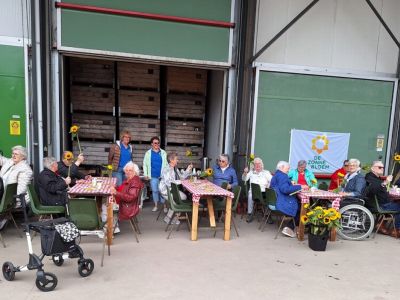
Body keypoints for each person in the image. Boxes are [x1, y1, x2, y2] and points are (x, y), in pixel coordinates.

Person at [270, 161, 308, 238]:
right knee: (302, 207)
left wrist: (292, 184)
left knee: (300, 203)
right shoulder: (283, 176)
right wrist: (301, 187)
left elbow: (283, 186)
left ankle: (296, 226)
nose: (289, 170)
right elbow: (285, 189)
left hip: (277, 200)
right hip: (282, 202)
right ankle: (290, 228)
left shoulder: (277, 175)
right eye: (287, 168)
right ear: (281, 168)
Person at [0, 146, 33, 230]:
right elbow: (2, 159)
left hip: (11, 198)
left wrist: (10, 202)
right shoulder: (11, 162)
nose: (13, 156)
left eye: (16, 154)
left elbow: (20, 191)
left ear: (22, 157)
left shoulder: (25, 170)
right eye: (13, 153)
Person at [365, 161, 400, 237]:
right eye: (379, 167)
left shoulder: (375, 178)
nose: (382, 169)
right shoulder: (370, 177)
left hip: (383, 203)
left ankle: (381, 225)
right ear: (372, 168)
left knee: (395, 203)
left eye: (383, 167)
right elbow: (372, 190)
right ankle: (397, 230)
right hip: (380, 206)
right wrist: (385, 183)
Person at [159, 152, 192, 224]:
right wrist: (180, 181)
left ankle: (172, 217)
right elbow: (168, 183)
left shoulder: (175, 168)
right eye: (176, 159)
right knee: (180, 198)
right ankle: (170, 218)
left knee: (182, 197)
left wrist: (188, 170)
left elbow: (182, 177)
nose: (178, 160)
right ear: (171, 160)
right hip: (165, 191)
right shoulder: (166, 169)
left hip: (172, 190)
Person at [242, 157, 272, 223]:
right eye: (256, 164)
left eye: (259, 164)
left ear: (262, 165)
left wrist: (269, 184)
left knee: (269, 196)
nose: (257, 165)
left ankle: (267, 215)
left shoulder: (266, 172)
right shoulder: (251, 172)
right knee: (250, 196)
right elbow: (244, 179)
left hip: (264, 192)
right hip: (254, 193)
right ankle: (249, 214)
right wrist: (245, 172)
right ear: (254, 166)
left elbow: (272, 181)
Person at [143, 136, 167, 212]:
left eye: (158, 143)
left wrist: (166, 174)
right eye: (155, 143)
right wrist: (146, 174)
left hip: (162, 176)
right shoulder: (148, 153)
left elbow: (166, 164)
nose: (157, 144)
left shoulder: (163, 152)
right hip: (153, 176)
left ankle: (164, 206)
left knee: (163, 191)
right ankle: (156, 205)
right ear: (152, 144)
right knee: (155, 190)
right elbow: (145, 164)